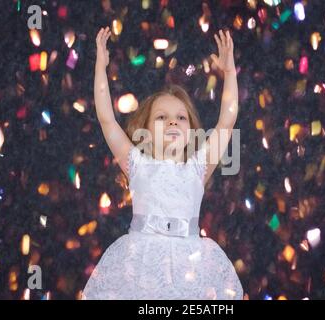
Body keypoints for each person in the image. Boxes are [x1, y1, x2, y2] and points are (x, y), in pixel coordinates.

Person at [82, 26, 242, 299]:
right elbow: (107, 118)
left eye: (181, 118)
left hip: (190, 266)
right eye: (161, 118)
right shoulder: (137, 163)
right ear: (145, 128)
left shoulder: (197, 166)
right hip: (141, 266)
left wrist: (229, 73)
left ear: (191, 130)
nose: (172, 122)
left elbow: (227, 121)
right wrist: (100, 65)